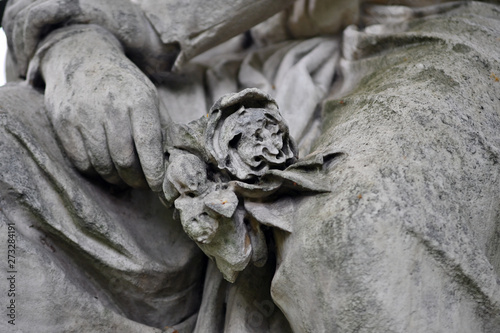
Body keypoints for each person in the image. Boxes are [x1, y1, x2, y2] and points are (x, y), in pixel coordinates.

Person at [1, 0, 500, 332]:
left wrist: (105, 19)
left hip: (426, 34)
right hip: (206, 64)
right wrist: (71, 43)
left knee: (358, 234)